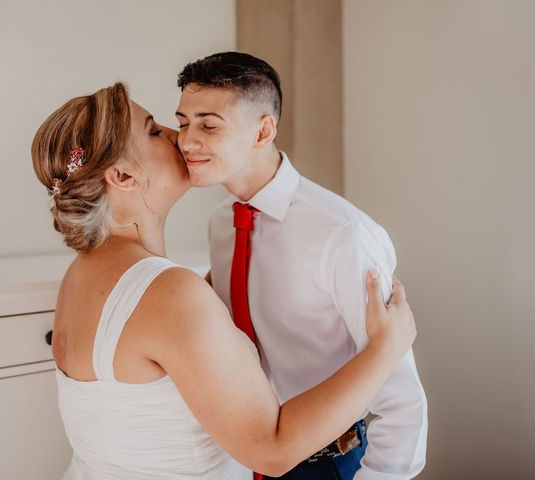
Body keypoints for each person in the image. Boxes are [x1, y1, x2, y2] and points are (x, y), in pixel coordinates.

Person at [31, 82, 416, 480]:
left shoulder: (80, 274)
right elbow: (272, 449)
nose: (177, 136)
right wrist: (385, 349)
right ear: (123, 174)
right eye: (153, 130)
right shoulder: (170, 294)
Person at [175, 52, 428, 480]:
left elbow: (402, 401)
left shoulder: (343, 235)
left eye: (209, 125)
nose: (186, 140)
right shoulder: (221, 224)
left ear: (264, 130)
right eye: (183, 122)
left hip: (330, 463)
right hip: (241, 456)